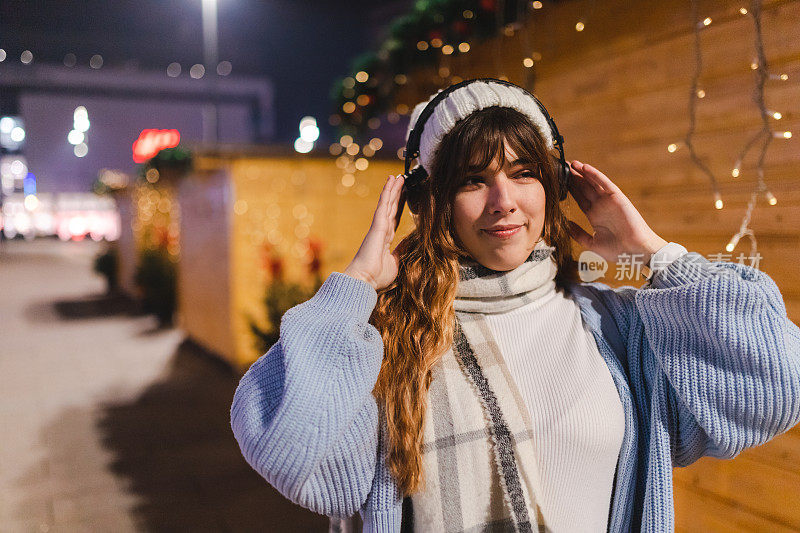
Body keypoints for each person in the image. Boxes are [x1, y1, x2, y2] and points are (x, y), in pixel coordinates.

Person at [229, 79, 800, 533]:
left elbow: (780, 380)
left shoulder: (613, 326)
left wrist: (652, 254)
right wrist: (354, 288)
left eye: (523, 173)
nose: (504, 202)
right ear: (435, 204)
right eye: (474, 180)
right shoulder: (387, 338)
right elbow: (291, 447)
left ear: (550, 186)